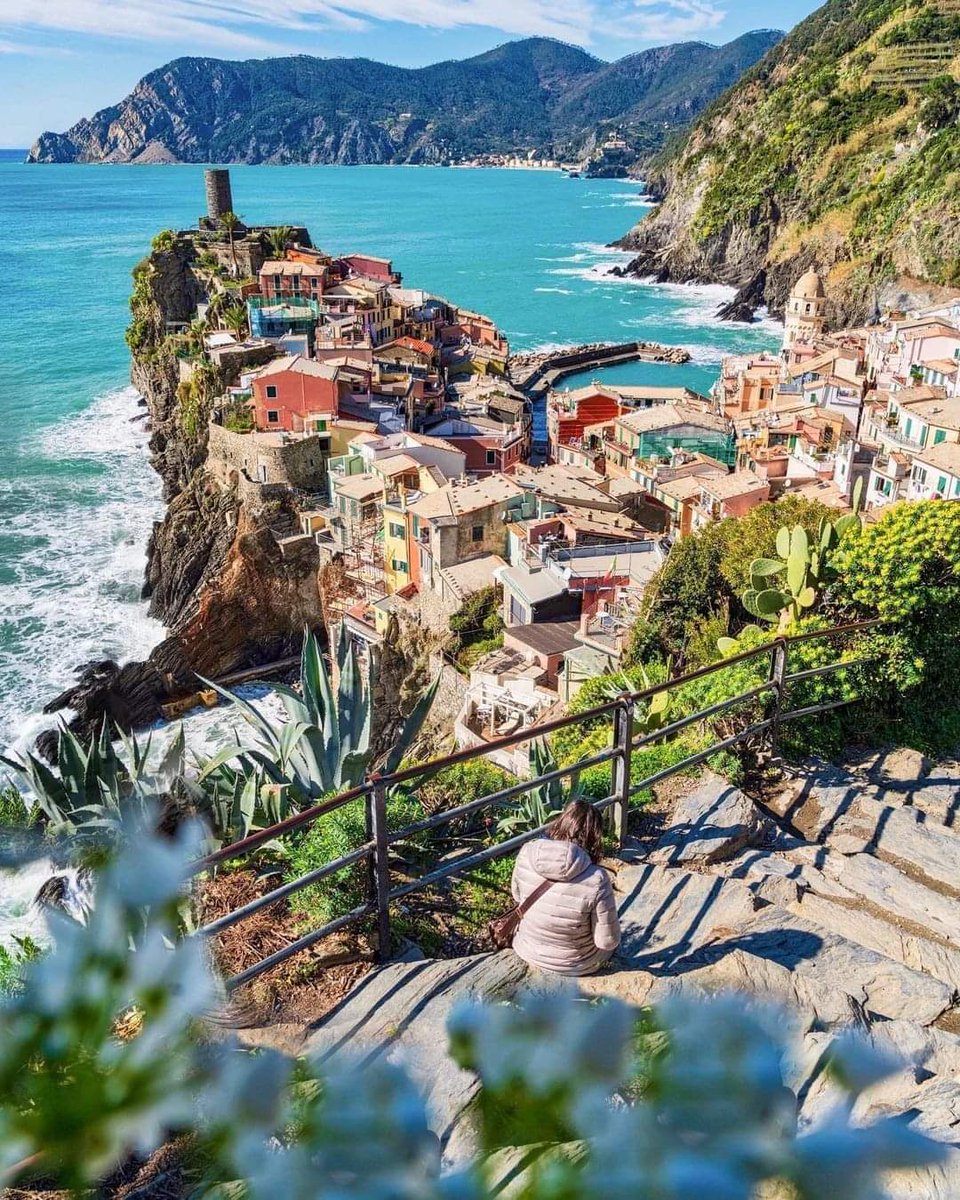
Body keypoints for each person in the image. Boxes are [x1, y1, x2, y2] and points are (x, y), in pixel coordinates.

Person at [510, 798, 621, 976]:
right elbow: (607, 942)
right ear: (595, 836)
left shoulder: (527, 853)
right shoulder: (597, 879)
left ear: (560, 822)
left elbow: (517, 895)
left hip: (526, 949)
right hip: (576, 963)